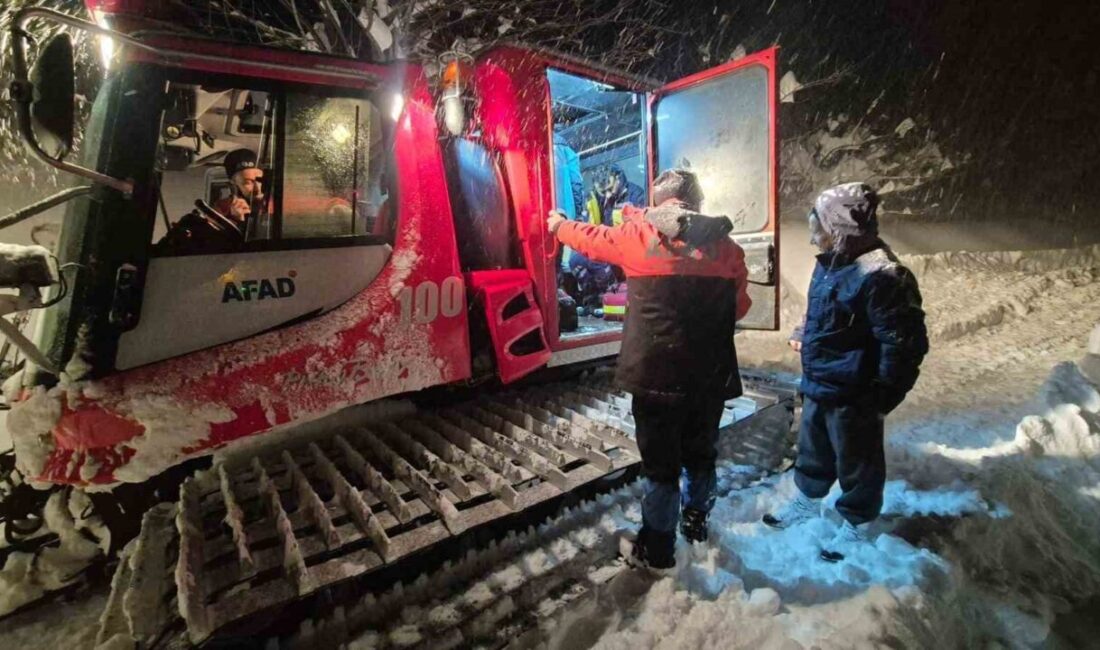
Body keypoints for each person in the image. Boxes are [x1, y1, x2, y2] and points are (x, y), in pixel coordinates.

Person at [548, 169, 751, 572]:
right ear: (697, 201)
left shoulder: (638, 236)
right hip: (709, 376)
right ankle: (695, 522)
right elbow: (740, 307)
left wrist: (559, 226)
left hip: (657, 377)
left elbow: (592, 239)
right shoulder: (727, 247)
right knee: (701, 454)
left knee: (660, 466)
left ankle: (657, 549)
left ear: (658, 200)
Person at [763, 182, 928, 562]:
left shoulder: (883, 276)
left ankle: (857, 522)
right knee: (813, 451)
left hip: (855, 394)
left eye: (818, 226)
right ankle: (807, 500)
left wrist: (881, 397)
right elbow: (819, 311)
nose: (812, 236)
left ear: (838, 228)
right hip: (820, 383)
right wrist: (802, 333)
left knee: (859, 463)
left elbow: (904, 345)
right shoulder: (831, 263)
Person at [154, 148, 267, 253]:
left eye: (260, 180)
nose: (258, 188)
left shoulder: (276, 201)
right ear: (233, 183)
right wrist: (235, 220)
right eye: (247, 183)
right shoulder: (222, 210)